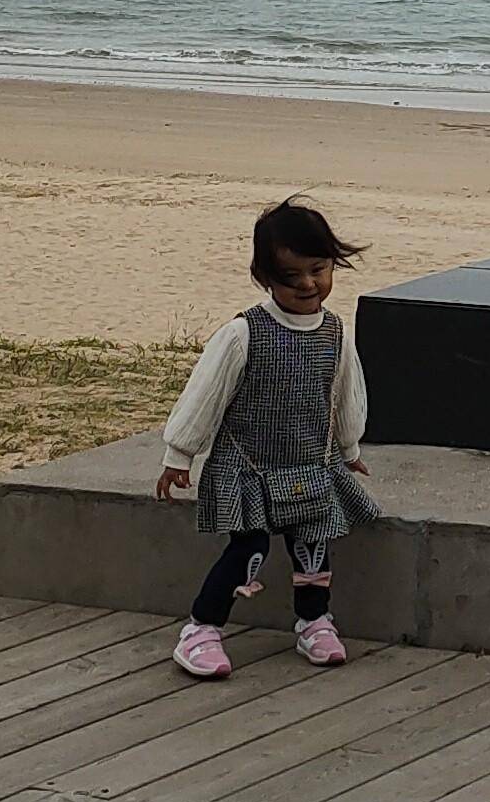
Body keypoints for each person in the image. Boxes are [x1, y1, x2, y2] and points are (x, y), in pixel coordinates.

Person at [154, 195, 379, 678]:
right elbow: (205, 394)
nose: (308, 284)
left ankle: (314, 620)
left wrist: (350, 447)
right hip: (248, 468)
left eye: (319, 269)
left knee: (314, 547)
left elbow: (344, 393)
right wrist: (180, 453)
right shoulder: (243, 334)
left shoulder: (335, 333)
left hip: (312, 466)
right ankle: (201, 628)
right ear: (264, 278)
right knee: (248, 549)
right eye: (290, 275)